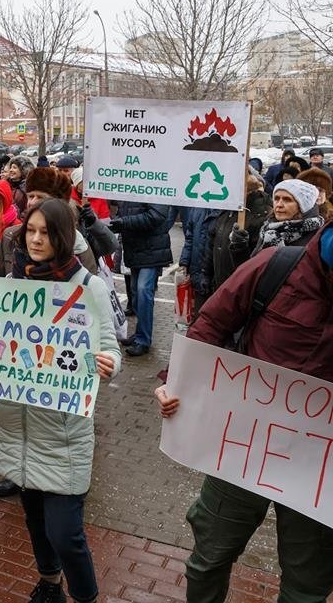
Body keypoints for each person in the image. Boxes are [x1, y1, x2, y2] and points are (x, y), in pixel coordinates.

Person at [0, 198, 121, 603]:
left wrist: (109, 363)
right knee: (35, 523)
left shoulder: (88, 286)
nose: (36, 240)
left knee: (66, 534)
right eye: (31, 231)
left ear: (63, 236)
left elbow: (110, 347)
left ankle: (86, 596)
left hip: (61, 436)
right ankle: (49, 582)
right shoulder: (11, 284)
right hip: (14, 428)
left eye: (46, 232)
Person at [154, 220, 333, 603]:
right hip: (245, 446)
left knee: (307, 587)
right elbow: (210, 325)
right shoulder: (278, 265)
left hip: (321, 465)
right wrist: (176, 385)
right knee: (209, 558)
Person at [109, 199, 172, 356]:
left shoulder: (155, 186)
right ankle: (139, 333)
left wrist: (123, 222)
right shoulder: (133, 186)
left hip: (151, 249)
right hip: (137, 249)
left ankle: (143, 339)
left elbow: (156, 216)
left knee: (143, 291)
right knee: (136, 294)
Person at [202, 170, 271, 297]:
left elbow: (258, 260)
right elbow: (213, 243)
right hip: (220, 285)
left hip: (241, 291)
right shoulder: (227, 210)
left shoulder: (261, 215)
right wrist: (207, 273)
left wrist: (240, 246)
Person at [230, 179, 323, 266]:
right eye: (276, 198)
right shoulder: (268, 229)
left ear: (304, 206)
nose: (279, 205)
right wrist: (240, 246)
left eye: (287, 199)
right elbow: (250, 272)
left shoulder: (318, 238)